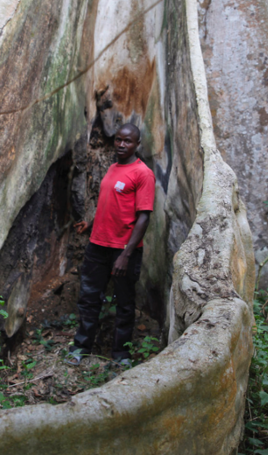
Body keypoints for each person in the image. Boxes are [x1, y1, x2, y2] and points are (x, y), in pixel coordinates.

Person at [67, 123, 155, 367]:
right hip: (97, 245)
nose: (121, 145)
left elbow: (144, 217)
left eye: (127, 141)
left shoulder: (142, 173)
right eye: (118, 140)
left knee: (124, 303)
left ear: (137, 144)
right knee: (88, 297)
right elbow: (110, 204)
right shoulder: (113, 168)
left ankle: (121, 355)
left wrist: (126, 255)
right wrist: (91, 223)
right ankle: (81, 348)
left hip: (123, 250)